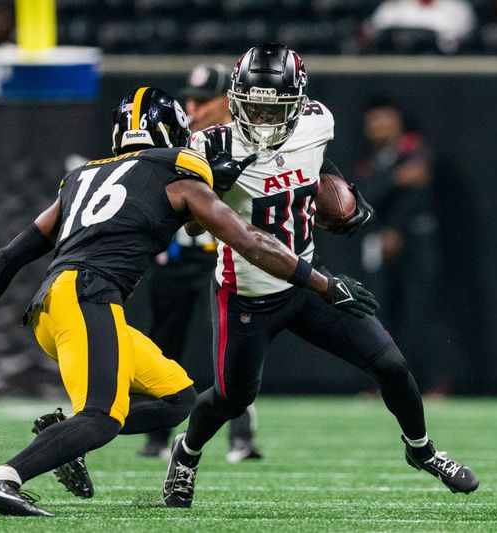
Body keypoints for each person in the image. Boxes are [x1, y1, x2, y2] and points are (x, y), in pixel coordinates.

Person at [0, 86, 378, 516]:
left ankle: (60, 436)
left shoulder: (82, 175)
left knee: (178, 399)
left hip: (55, 306)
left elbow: (8, 256)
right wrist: (321, 283)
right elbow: (247, 239)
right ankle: (1, 479)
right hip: (87, 296)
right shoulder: (179, 167)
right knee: (101, 417)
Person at [163, 43, 479, 509]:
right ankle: (185, 455)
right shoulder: (209, 146)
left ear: (296, 106)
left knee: (391, 364)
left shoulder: (315, 123)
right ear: (234, 100)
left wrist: (344, 194)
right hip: (246, 293)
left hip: (304, 282)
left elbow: (314, 163)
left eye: (275, 110)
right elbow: (188, 224)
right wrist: (212, 183)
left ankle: (422, 450)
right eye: (252, 107)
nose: (263, 120)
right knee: (230, 398)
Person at [139, 63, 262, 462]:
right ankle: (157, 435)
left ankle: (241, 437)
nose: (193, 107)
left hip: (224, 258)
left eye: (203, 99)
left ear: (227, 99)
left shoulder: (248, 142)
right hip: (177, 256)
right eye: (189, 99)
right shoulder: (176, 138)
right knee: (162, 347)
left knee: (231, 351)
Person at [352, 96, 453, 395]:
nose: (379, 126)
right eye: (373, 121)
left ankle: (432, 383)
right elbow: (363, 197)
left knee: (421, 312)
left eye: (385, 119)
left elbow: (417, 187)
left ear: (398, 122)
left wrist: (395, 226)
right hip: (380, 243)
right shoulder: (369, 162)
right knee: (377, 316)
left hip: (416, 241)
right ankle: (382, 384)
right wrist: (395, 178)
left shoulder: (414, 148)